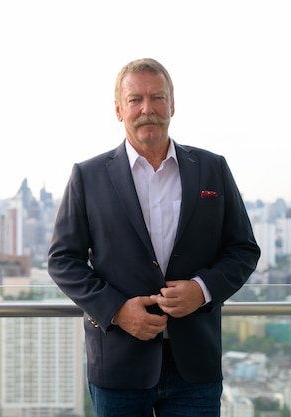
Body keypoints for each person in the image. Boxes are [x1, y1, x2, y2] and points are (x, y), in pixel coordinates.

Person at [47, 58, 260, 417]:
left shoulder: (213, 168)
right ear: (119, 109)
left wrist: (202, 289)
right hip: (119, 363)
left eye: (157, 97)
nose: (148, 109)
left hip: (196, 366)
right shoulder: (88, 175)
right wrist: (116, 310)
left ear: (172, 105)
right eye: (135, 100)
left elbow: (243, 249)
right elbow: (62, 260)